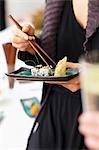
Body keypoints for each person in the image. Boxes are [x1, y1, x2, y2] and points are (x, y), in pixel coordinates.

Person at [11, 0, 99, 149]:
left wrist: (89, 77)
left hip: (93, 121)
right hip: (54, 113)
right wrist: (31, 46)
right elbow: (52, 62)